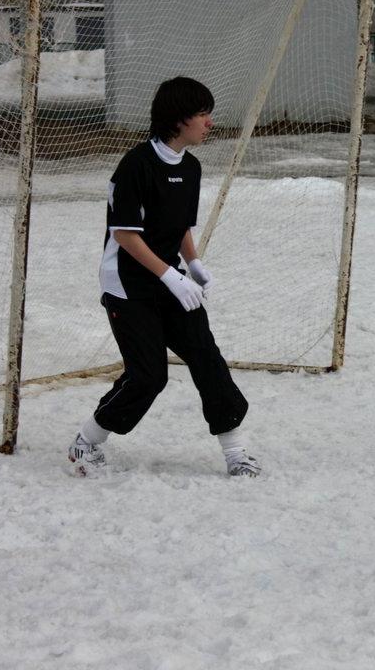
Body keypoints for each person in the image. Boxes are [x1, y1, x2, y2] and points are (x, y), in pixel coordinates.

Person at [67, 77, 260, 477]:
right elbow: (125, 234)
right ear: (178, 119)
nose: (209, 123)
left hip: (170, 278)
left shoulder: (190, 167)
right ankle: (87, 441)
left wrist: (193, 266)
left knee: (207, 358)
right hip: (128, 285)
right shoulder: (136, 165)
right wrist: (171, 278)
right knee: (149, 376)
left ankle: (237, 453)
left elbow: (180, 228)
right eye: (203, 114)